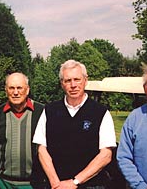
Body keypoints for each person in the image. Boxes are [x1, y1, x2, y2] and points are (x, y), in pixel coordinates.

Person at [32, 59, 117, 189]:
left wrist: (74, 182)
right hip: (55, 185)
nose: (73, 85)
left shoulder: (101, 112)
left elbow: (105, 155)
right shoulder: (49, 111)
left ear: (85, 80)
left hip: (90, 185)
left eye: (77, 79)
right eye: (67, 80)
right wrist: (56, 183)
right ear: (62, 84)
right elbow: (41, 149)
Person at [0, 72, 44, 189]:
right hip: (3, 184)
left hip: (35, 184)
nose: (15, 92)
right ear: (6, 90)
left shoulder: (42, 112)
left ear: (27, 90)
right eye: (11, 88)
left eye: (19, 88)